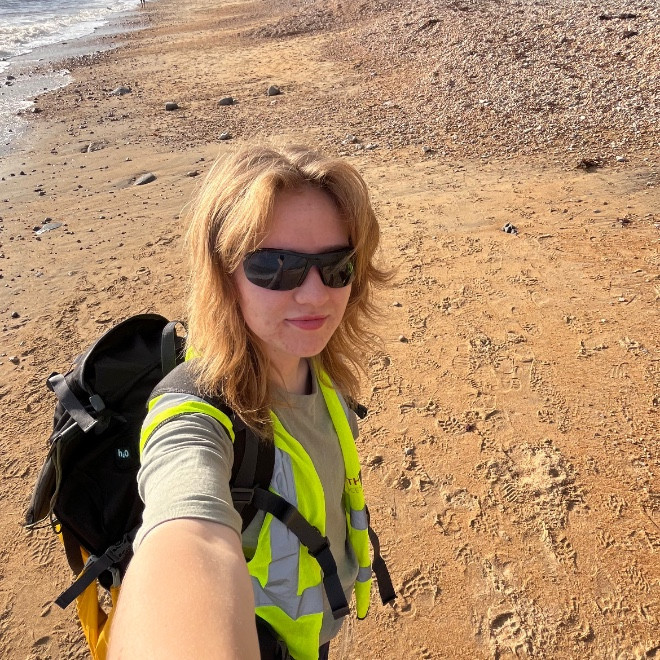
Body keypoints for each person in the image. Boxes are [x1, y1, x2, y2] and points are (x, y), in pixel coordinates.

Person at [109, 145, 390, 659]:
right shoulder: (197, 418)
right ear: (223, 275)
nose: (315, 295)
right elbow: (187, 533)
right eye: (275, 266)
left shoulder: (317, 364)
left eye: (337, 266)